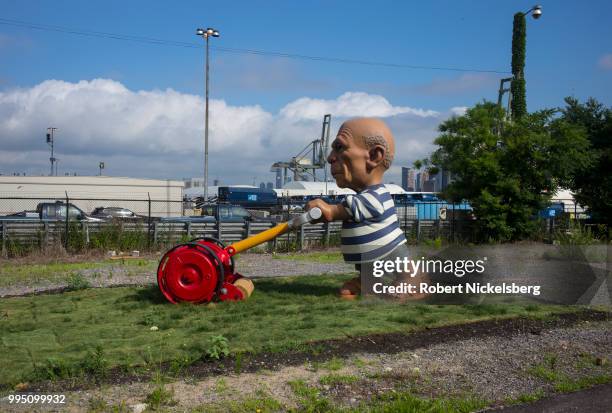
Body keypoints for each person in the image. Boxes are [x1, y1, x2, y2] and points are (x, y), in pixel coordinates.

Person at [306, 117, 426, 299]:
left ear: (374, 156)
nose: (330, 158)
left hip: (389, 250)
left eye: (339, 147)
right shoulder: (362, 197)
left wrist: (329, 211)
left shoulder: (376, 196)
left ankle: (412, 281)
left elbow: (345, 209)